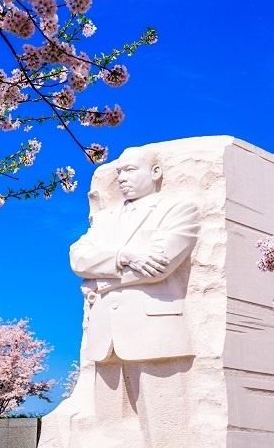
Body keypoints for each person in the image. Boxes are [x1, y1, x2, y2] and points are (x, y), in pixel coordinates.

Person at [67, 146, 199, 448]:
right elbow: (79, 259)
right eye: (118, 172)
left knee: (165, 430)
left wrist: (100, 282)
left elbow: (160, 265)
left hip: (154, 329)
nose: (121, 179)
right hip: (105, 334)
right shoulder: (104, 219)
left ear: (155, 172)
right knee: (106, 431)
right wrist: (122, 256)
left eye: (129, 170)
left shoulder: (178, 209)